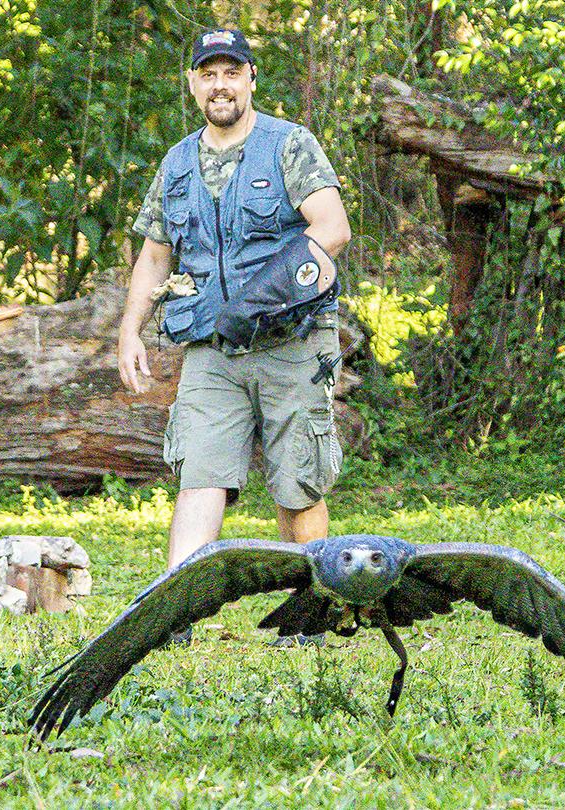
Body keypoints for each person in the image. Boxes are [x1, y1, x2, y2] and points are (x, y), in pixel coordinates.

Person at [117, 28, 351, 644]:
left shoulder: (288, 146)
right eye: (207, 74)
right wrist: (129, 332)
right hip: (211, 352)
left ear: (250, 79)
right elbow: (153, 255)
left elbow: (332, 228)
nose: (219, 85)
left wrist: (263, 296)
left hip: (290, 342)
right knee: (200, 471)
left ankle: (313, 612)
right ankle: (175, 615)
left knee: (296, 481)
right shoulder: (176, 163)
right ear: (194, 84)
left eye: (231, 72)